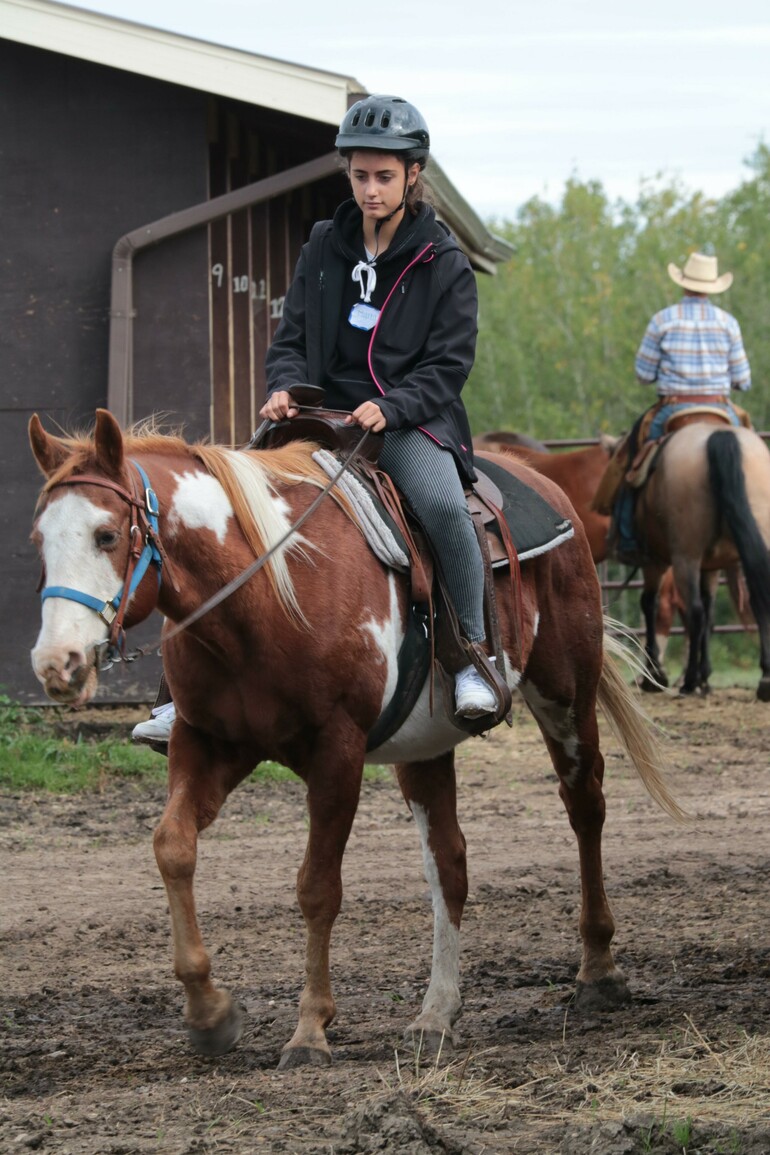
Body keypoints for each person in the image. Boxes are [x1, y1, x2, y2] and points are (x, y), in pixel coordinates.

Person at [133, 94, 497, 746]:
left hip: (410, 420)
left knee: (443, 507)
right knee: (224, 503)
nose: (370, 189)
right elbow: (292, 337)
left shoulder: (444, 263)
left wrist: (392, 407)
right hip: (319, 415)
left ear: (414, 174)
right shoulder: (325, 245)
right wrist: (282, 386)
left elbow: (448, 366)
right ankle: (176, 694)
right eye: (360, 175)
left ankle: (469, 655)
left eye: (384, 176)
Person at [595, 251, 752, 560]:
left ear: (683, 284)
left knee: (631, 461)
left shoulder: (662, 320)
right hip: (721, 408)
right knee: (751, 451)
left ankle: (626, 537)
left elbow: (643, 374)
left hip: (673, 409)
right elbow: (743, 380)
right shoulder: (728, 322)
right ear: (711, 287)